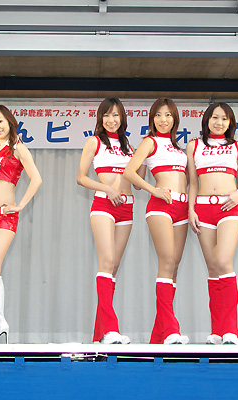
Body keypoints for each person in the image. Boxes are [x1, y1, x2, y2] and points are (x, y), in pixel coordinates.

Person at [0, 105, 42, 344]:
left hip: (4, 216)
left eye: (0, 121)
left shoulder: (18, 148)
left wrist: (20, 205)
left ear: (10, 122)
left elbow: (36, 178)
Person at [77, 98, 144, 345]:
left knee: (113, 267)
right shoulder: (94, 142)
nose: (111, 120)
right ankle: (111, 329)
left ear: (122, 118)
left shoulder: (130, 147)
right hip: (104, 205)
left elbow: (138, 183)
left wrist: (143, 155)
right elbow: (81, 177)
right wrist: (107, 188)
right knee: (106, 262)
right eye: (106, 115)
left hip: (127, 208)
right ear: (100, 118)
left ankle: (100, 334)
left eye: (115, 115)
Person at [124, 97, 189, 345]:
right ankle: (171, 329)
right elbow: (129, 173)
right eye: (159, 115)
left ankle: (159, 335)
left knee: (174, 267)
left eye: (168, 115)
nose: (163, 120)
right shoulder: (149, 142)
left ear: (175, 119)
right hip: (161, 206)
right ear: (152, 119)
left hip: (182, 207)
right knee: (167, 262)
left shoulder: (178, 148)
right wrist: (154, 190)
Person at [186, 102, 238, 345]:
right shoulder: (194, 145)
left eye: (224, 119)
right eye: (214, 118)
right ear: (207, 120)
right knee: (212, 268)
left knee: (223, 262)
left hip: (228, 207)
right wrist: (191, 209)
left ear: (230, 123)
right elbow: (193, 182)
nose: (219, 123)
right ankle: (217, 330)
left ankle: (231, 329)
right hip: (203, 208)